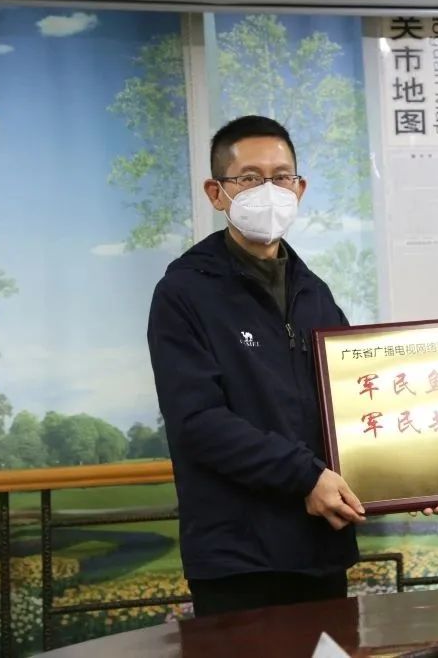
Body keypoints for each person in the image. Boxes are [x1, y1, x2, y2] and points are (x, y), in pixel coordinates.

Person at [149, 115, 372, 616]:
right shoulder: (184, 293)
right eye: (249, 178)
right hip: (239, 561)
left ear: (300, 188)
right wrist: (305, 477)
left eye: (281, 177)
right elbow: (198, 422)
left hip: (321, 549)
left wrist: (411, 477)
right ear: (217, 192)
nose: (269, 191)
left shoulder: (314, 292)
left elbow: (352, 402)